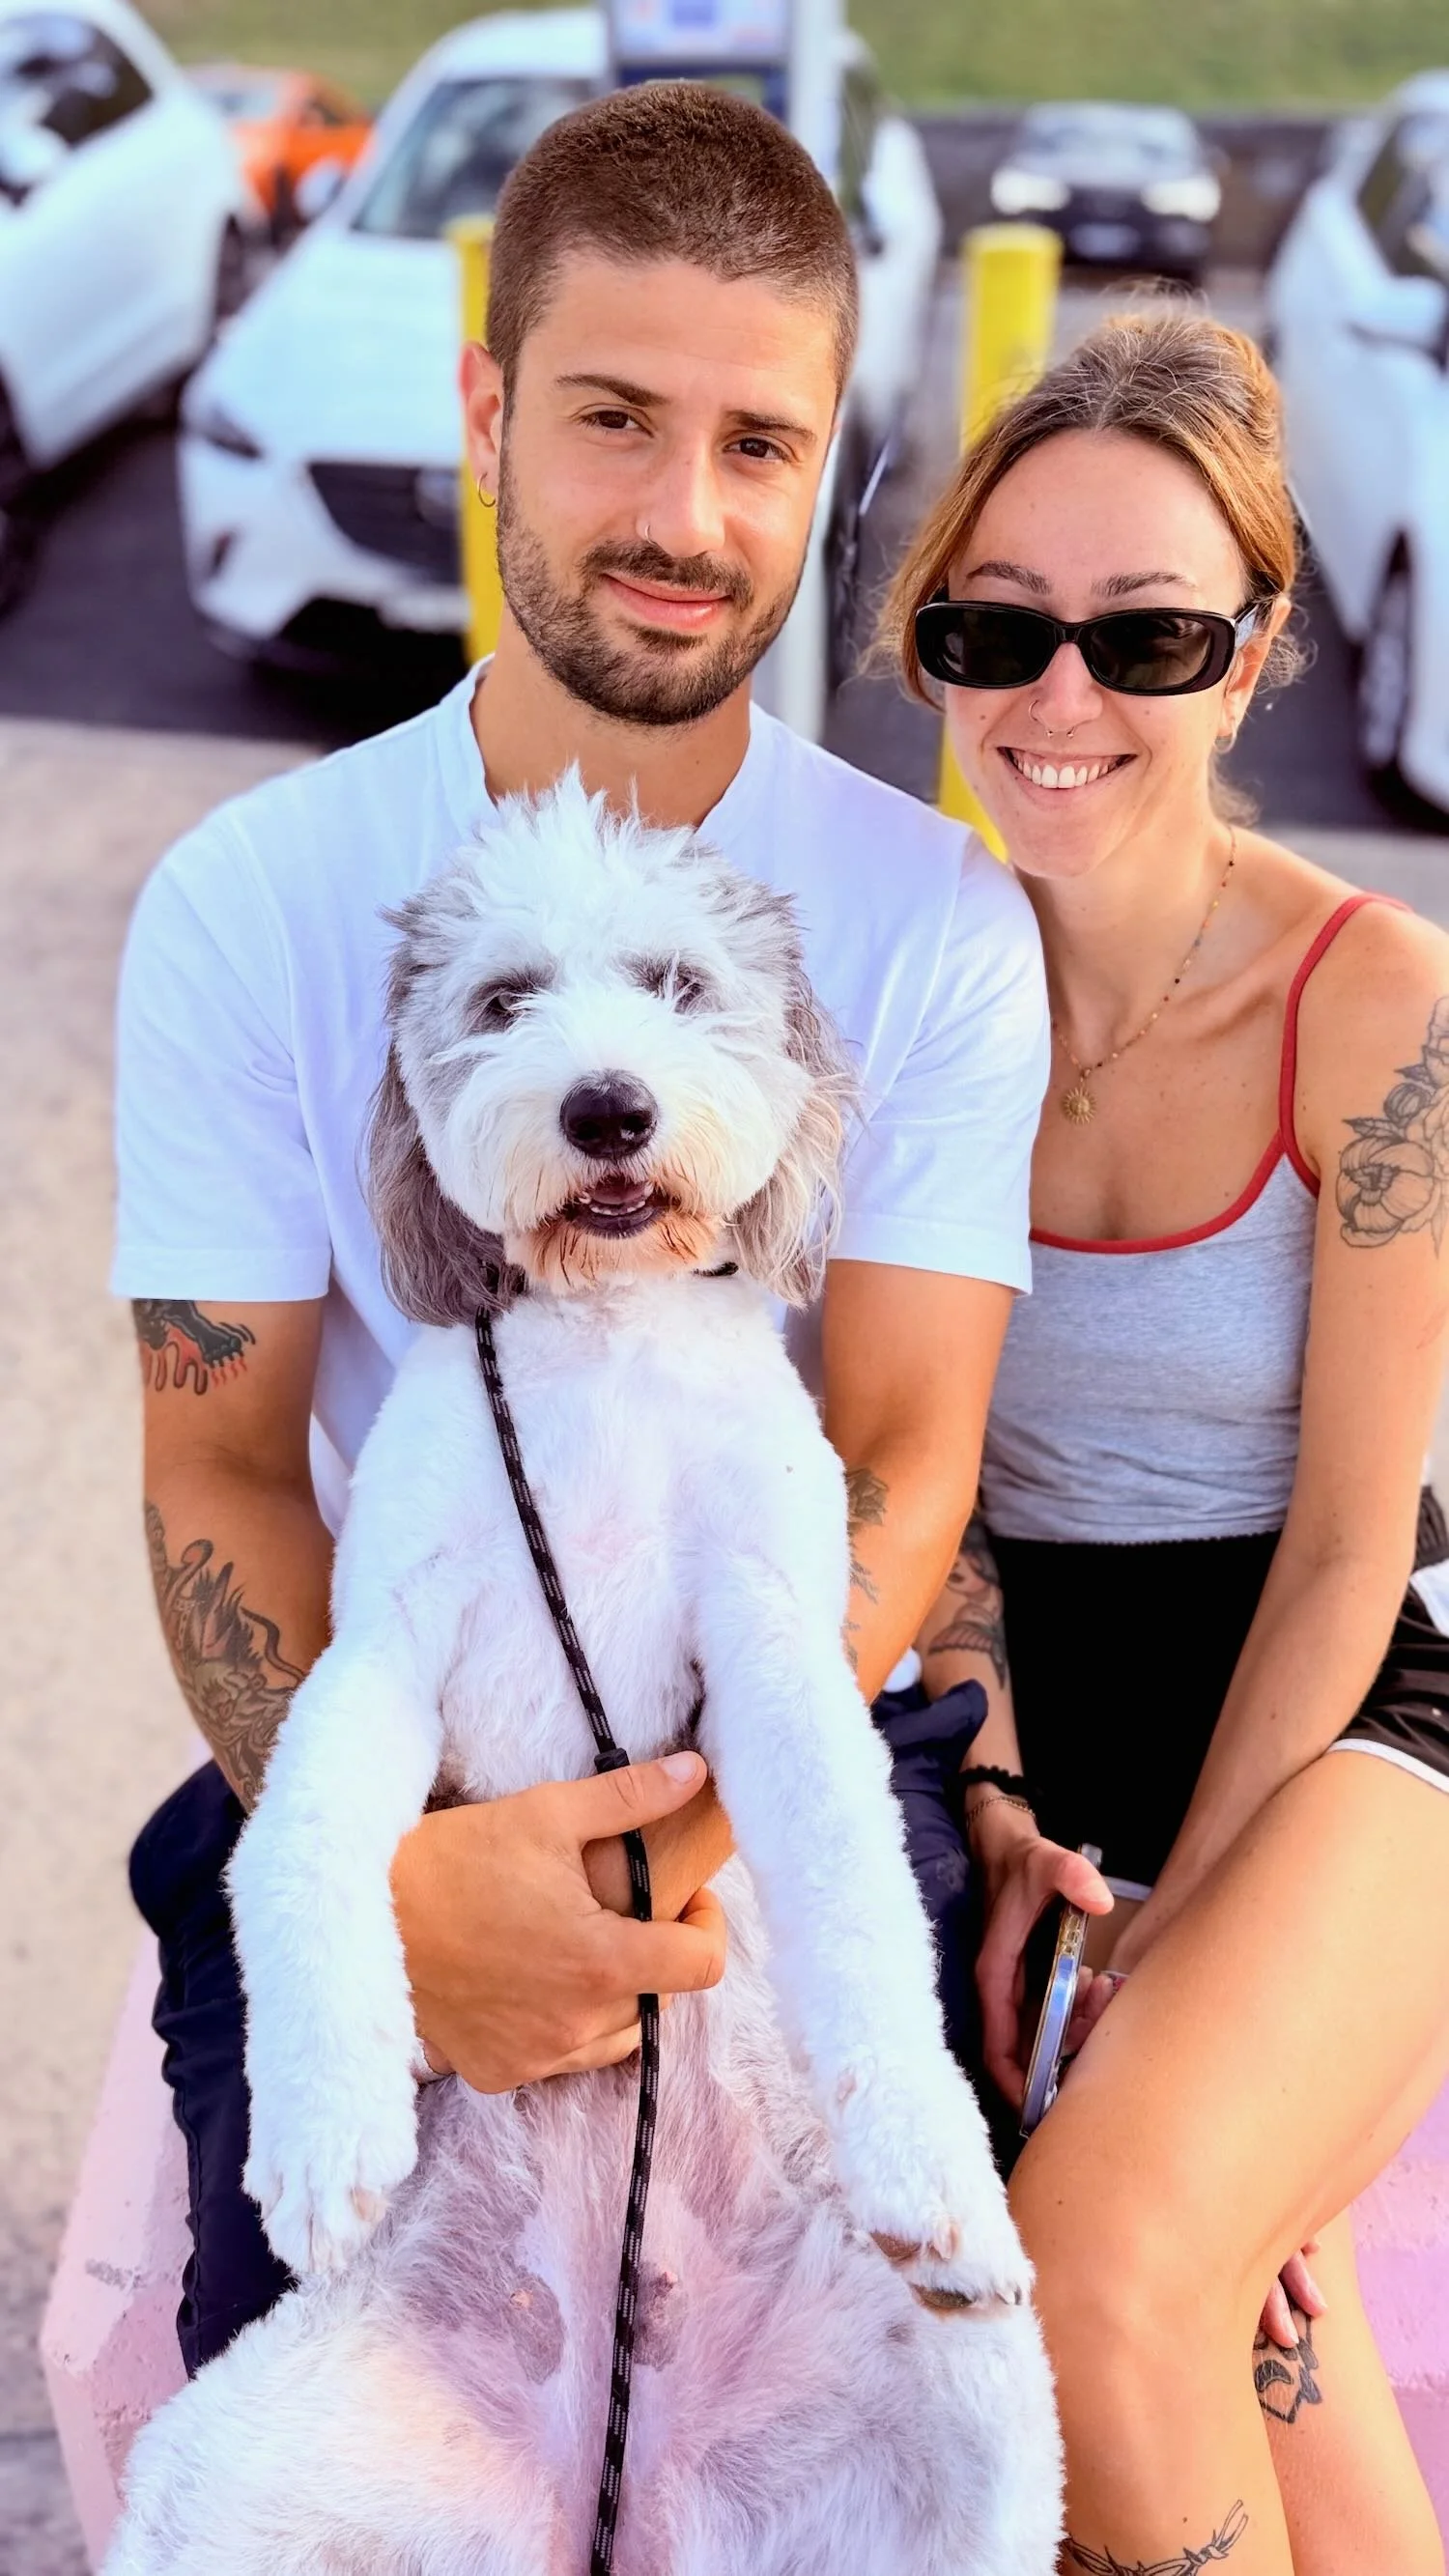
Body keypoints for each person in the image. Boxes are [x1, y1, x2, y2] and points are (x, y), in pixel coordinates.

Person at [113, 82, 1047, 2376]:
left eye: (759, 444)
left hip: (785, 1750)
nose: (682, 514)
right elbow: (223, 1466)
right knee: (322, 2437)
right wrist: (423, 1883)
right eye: (614, 417)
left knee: (890, 2426)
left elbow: (908, 1458)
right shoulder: (254, 897)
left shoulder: (933, 918)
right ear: (487, 405)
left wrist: (661, 1866)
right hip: (389, 1717)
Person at [885, 306, 1449, 2576]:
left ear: (1256, 656)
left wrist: (1164, 1954)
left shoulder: (1376, 1005)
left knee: (1102, 2267)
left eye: (1148, 637)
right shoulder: (899, 984)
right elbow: (902, 1470)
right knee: (1227, 2323)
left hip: (1343, 1716)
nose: (1060, 698)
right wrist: (1002, 1797)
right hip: (1041, 1722)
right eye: (996, 626)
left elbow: (1348, 1542)